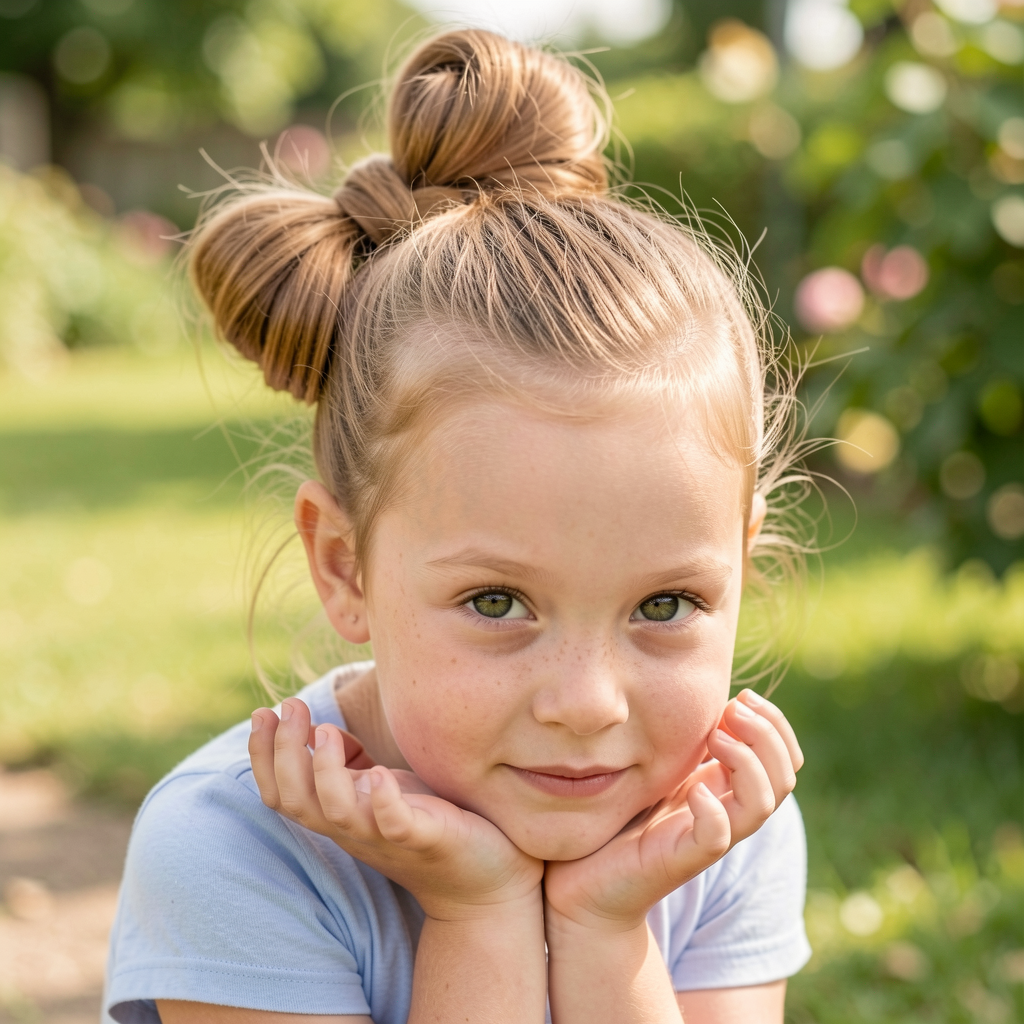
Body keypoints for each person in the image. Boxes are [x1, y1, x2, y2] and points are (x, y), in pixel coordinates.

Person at [103, 28, 812, 1024]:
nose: (586, 704)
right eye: (496, 601)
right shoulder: (232, 848)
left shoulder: (719, 821)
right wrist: (476, 912)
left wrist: (606, 928)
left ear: (740, 565)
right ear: (345, 566)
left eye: (665, 603)